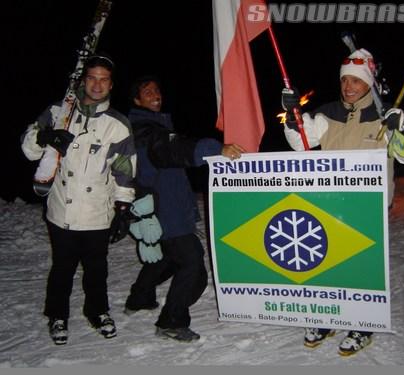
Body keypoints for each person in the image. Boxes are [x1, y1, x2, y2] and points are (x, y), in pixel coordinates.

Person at [281, 48, 404, 355]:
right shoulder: (328, 112)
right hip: (331, 201)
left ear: (368, 83)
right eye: (345, 80)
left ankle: (363, 325)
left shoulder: (386, 117)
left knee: (362, 267)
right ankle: (329, 317)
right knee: (328, 264)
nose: (348, 86)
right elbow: (301, 145)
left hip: (369, 205)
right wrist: (292, 117)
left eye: (356, 81)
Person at [20, 55, 137, 345]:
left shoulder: (118, 125)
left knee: (97, 268)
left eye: (104, 79)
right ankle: (57, 315)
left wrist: (122, 207)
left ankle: (98, 311)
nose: (97, 84)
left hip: (97, 211)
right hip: (62, 209)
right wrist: (46, 137)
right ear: (83, 81)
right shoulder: (59, 111)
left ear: (111, 84)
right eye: (92, 77)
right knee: (62, 267)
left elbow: (124, 170)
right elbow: (29, 149)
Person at [123, 76, 244, 342]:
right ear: (136, 100)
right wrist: (214, 149)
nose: (155, 94)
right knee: (193, 267)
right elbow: (172, 148)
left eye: (157, 89)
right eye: (147, 91)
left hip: (164, 208)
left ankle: (139, 298)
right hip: (166, 211)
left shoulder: (152, 125)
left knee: (167, 257)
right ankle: (172, 320)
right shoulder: (145, 130)